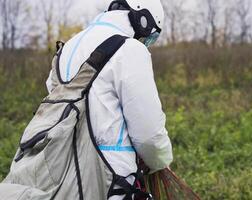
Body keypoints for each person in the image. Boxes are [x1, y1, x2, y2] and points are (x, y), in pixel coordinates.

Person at [46, 0, 173, 198]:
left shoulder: (67, 48)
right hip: (111, 180)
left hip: (64, 176)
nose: (146, 42)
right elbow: (149, 134)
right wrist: (161, 160)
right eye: (151, 37)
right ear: (144, 20)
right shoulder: (129, 49)